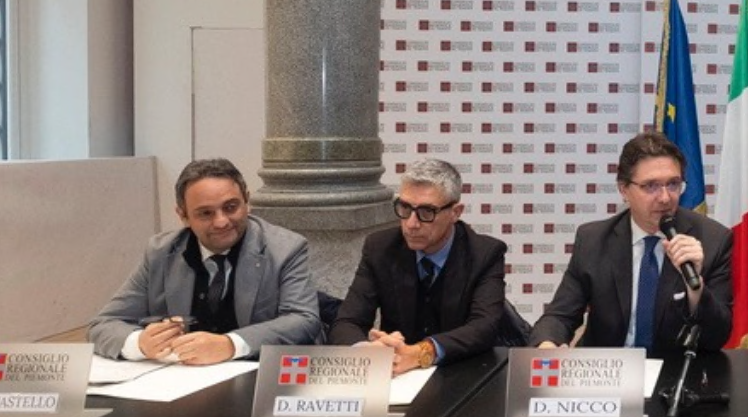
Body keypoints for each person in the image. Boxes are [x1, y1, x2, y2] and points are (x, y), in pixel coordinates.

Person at [88, 158, 322, 363]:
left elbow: (303, 320)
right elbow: (103, 324)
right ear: (183, 216)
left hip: (257, 375)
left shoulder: (285, 249)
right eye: (205, 213)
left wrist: (230, 345)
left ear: (247, 202)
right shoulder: (160, 253)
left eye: (230, 207)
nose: (221, 222)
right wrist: (140, 343)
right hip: (182, 381)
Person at [530, 131, 733, 352]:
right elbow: (560, 315)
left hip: (675, 367)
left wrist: (696, 291)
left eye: (673, 184)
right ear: (624, 189)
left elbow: (718, 336)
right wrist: (547, 344)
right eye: (651, 186)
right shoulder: (593, 240)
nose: (665, 197)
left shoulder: (712, 240)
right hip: (609, 366)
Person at [329, 159, 508, 374]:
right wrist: (366, 351)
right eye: (405, 208)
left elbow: (484, 327)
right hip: (398, 374)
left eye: (426, 212)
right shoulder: (380, 247)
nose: (411, 224)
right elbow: (347, 321)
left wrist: (422, 352)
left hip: (461, 372)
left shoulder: (484, 253)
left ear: (455, 212)